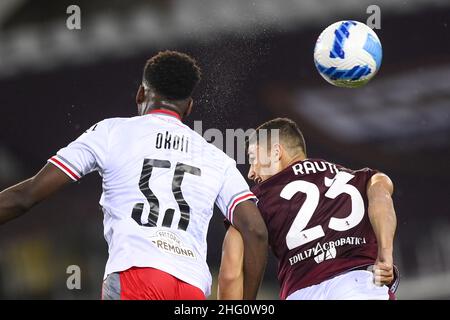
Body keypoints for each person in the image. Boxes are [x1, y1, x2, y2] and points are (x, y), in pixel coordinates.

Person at [0, 50, 268, 300]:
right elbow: (255, 231)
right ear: (188, 107)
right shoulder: (217, 158)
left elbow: (26, 196)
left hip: (136, 276)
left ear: (141, 94)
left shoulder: (110, 133)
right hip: (191, 289)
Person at [218, 117, 398, 300]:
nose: (250, 172)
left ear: (275, 152)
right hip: (357, 286)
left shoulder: (258, 197)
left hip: (300, 293)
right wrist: (385, 254)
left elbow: (230, 274)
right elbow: (381, 194)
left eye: (253, 158)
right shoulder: (361, 178)